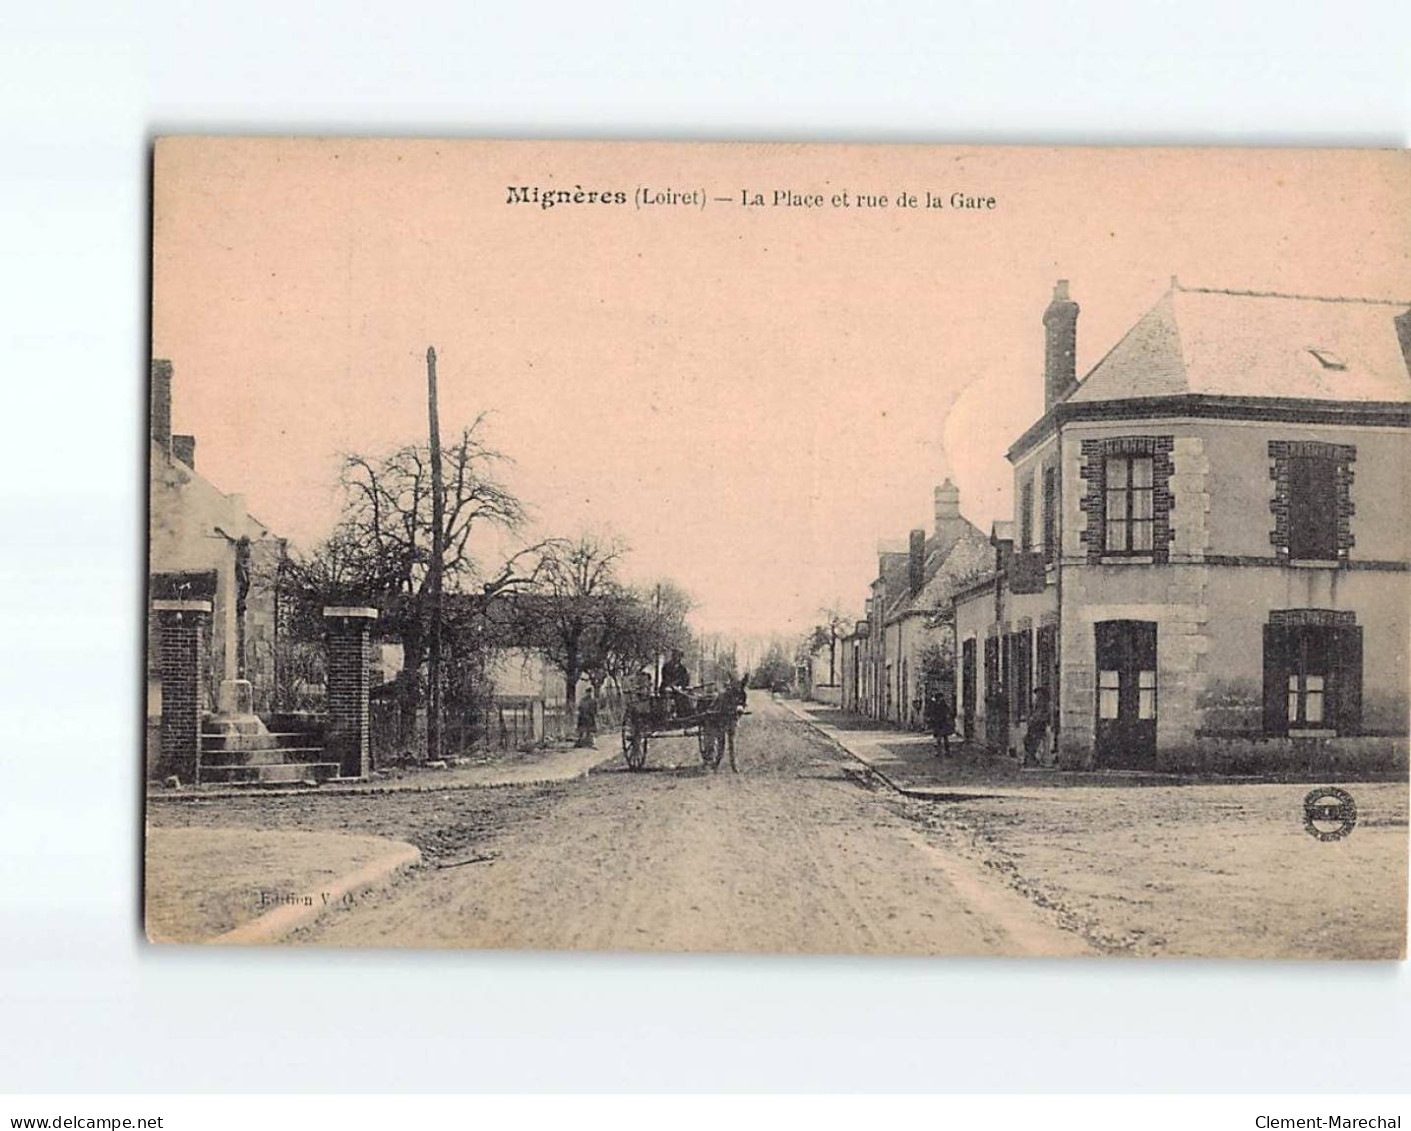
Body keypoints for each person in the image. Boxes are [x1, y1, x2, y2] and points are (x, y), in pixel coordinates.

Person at [1024, 684, 1052, 767]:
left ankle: (1034, 759)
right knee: (1027, 741)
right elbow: (1033, 715)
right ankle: (1030, 759)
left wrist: (1038, 720)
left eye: (1039, 695)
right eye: (1037, 695)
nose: (1037, 697)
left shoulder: (1047, 705)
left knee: (1035, 742)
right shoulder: (1036, 706)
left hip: (1041, 727)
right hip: (1034, 727)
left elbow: (1047, 716)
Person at [925, 684, 955, 758]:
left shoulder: (939, 703)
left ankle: (944, 752)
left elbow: (947, 710)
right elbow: (930, 712)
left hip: (941, 723)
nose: (941, 699)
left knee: (943, 738)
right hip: (938, 723)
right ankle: (940, 752)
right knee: (940, 738)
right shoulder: (935, 704)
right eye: (941, 697)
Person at [660, 649, 691, 717]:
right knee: (668, 692)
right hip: (667, 687)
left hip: (679, 688)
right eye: (675, 655)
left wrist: (681, 686)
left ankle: (684, 714)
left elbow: (684, 679)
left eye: (679, 656)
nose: (677, 657)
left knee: (686, 695)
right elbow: (665, 678)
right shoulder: (666, 666)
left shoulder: (682, 668)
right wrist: (672, 686)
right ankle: (667, 714)